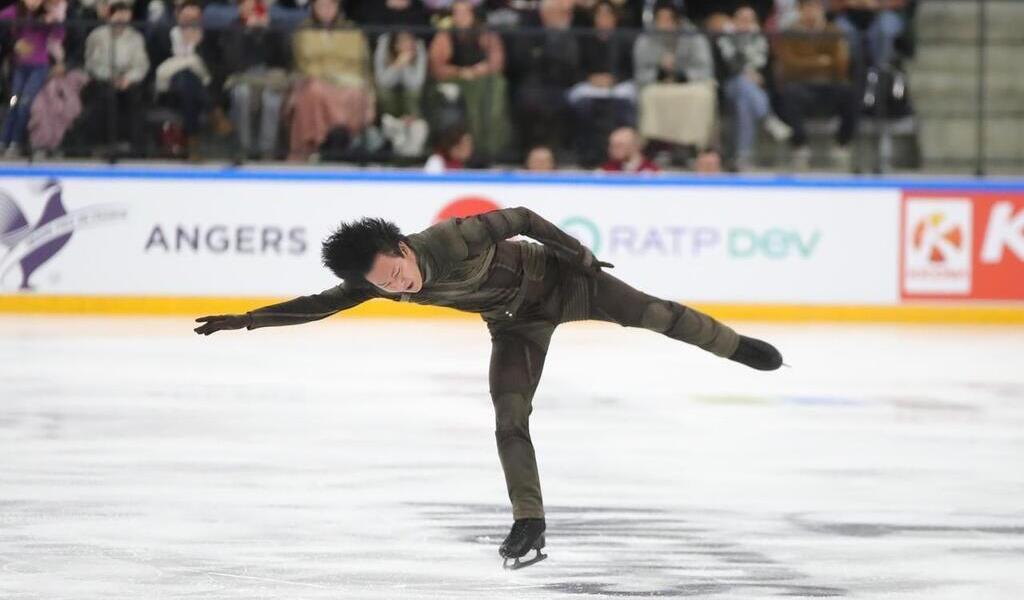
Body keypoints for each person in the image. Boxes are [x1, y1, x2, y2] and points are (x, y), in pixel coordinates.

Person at [194, 207, 784, 569]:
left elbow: (522, 216)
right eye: (388, 286)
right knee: (509, 417)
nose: (402, 286)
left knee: (654, 314)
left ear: (402, 247)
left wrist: (575, 252)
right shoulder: (379, 282)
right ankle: (530, 519)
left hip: (564, 281)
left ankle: (736, 347)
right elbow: (316, 306)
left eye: (399, 274)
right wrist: (248, 319)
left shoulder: (452, 239)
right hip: (514, 323)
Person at [774, 0, 859, 170]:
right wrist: (821, 62)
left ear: (821, 10)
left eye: (815, 7)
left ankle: (842, 144)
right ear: (800, 11)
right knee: (790, 94)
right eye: (807, 8)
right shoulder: (789, 33)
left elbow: (842, 64)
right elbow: (789, 65)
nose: (811, 12)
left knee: (850, 92)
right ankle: (800, 146)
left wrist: (807, 63)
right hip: (800, 85)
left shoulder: (833, 31)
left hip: (830, 85)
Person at [287, 0, 374, 161]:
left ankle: (344, 145)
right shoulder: (304, 30)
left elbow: (360, 65)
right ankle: (315, 146)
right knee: (314, 90)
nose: (326, 10)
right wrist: (328, 74)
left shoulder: (352, 31)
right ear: (314, 9)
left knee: (355, 93)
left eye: (330, 6)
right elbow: (303, 65)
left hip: (347, 82)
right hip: (316, 81)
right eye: (321, 6)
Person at [428, 0, 510, 160]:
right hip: (456, 80)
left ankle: (490, 147)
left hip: (482, 78)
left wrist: (482, 69)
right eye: (457, 13)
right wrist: (460, 71)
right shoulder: (446, 35)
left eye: (465, 12)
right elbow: (437, 66)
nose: (461, 17)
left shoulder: (484, 33)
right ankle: (468, 148)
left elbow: (497, 60)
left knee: (496, 85)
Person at [712, 5, 792, 170]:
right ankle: (768, 117)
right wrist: (746, 73)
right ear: (734, 21)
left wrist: (760, 79)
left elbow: (768, 71)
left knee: (744, 104)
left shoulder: (762, 40)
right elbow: (724, 69)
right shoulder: (724, 39)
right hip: (729, 86)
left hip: (755, 91)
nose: (746, 24)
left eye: (750, 20)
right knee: (742, 82)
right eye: (742, 19)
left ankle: (743, 155)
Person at [632, 3, 716, 150]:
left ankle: (692, 146)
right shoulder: (645, 39)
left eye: (669, 18)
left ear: (677, 20)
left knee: (702, 95)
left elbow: (705, 68)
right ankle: (655, 145)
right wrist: (660, 72)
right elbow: (640, 72)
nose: (665, 23)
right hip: (657, 84)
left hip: (688, 84)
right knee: (649, 95)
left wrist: (682, 74)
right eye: (661, 19)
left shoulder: (693, 36)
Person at [220, 0, 291, 161]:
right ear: (240, 8)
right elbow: (233, 63)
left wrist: (266, 32)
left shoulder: (276, 28)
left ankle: (267, 150)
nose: (251, 9)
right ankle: (244, 148)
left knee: (271, 98)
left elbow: (283, 61)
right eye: (246, 5)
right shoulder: (233, 28)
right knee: (242, 94)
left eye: (255, 6)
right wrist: (247, 33)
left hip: (270, 78)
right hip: (244, 78)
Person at [569, 0, 636, 165]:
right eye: (600, 14)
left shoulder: (625, 39)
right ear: (594, 18)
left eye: (608, 14)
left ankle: (624, 152)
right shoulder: (584, 39)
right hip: (590, 86)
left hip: (618, 85)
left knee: (625, 101)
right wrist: (591, 78)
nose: (604, 18)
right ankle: (585, 151)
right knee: (582, 103)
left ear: (615, 18)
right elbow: (577, 66)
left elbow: (630, 68)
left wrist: (614, 79)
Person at [507, 0, 580, 152]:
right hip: (531, 83)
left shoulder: (567, 34)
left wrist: (559, 35)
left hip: (561, 84)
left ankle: (557, 150)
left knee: (563, 104)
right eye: (553, 12)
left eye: (559, 12)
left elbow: (571, 63)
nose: (557, 16)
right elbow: (521, 59)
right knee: (529, 101)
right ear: (544, 13)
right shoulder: (529, 30)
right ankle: (526, 150)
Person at [151, 0, 218, 159]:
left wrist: (198, 45)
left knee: (187, 81)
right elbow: (158, 65)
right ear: (177, 16)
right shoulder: (165, 33)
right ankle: (214, 113)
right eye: (186, 18)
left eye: (193, 19)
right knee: (185, 76)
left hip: (198, 87)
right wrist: (189, 60)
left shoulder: (207, 38)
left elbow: (213, 69)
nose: (189, 22)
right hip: (168, 89)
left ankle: (192, 142)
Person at [81, 0, 150, 154]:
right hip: (103, 79)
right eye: (118, 17)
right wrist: (110, 77)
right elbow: (92, 63)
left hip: (128, 80)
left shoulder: (136, 38)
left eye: (124, 17)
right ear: (109, 17)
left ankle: (134, 147)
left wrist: (128, 79)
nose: (121, 21)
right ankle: (99, 145)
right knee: (105, 96)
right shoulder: (97, 36)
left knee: (134, 97)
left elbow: (141, 65)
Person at [0, 0, 66, 157]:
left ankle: (15, 143)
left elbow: (59, 35)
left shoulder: (46, 13)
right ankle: (4, 141)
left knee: (25, 102)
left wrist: (55, 21)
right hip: (20, 67)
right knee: (14, 102)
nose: (33, 2)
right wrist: (14, 43)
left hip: (39, 67)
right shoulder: (16, 11)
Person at [831, 0, 907, 72]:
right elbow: (832, 5)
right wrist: (849, 3)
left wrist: (878, 4)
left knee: (885, 29)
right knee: (844, 31)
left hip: (881, 13)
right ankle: (857, 72)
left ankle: (881, 72)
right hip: (849, 15)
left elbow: (900, 2)